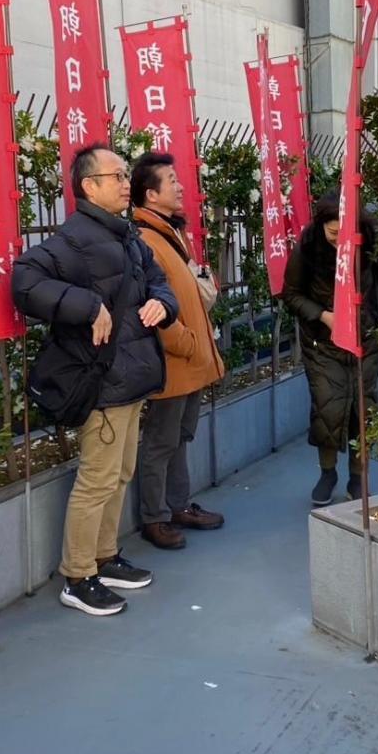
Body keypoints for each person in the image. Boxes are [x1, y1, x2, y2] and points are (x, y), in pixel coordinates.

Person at [12, 144, 177, 617]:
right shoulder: (75, 238)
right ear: (89, 186)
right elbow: (23, 280)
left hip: (131, 377)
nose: (127, 182)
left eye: (126, 174)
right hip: (102, 381)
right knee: (98, 480)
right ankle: (78, 574)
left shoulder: (126, 235)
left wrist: (162, 304)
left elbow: (160, 282)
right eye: (117, 175)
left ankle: (105, 557)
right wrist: (88, 306)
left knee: (119, 474)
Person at [130, 152, 225, 550]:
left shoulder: (169, 232)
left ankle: (178, 505)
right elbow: (152, 305)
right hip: (175, 360)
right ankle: (155, 518)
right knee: (161, 441)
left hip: (191, 358)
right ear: (151, 195)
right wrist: (184, 342)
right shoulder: (145, 239)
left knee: (181, 436)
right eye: (171, 180)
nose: (180, 185)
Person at [282, 190, 378, 506]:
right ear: (321, 226)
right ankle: (327, 472)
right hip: (323, 341)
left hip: (366, 337)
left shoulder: (372, 242)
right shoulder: (307, 248)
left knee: (364, 407)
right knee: (328, 407)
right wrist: (323, 315)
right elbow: (291, 294)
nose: (337, 240)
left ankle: (358, 475)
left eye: (344, 234)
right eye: (332, 233)